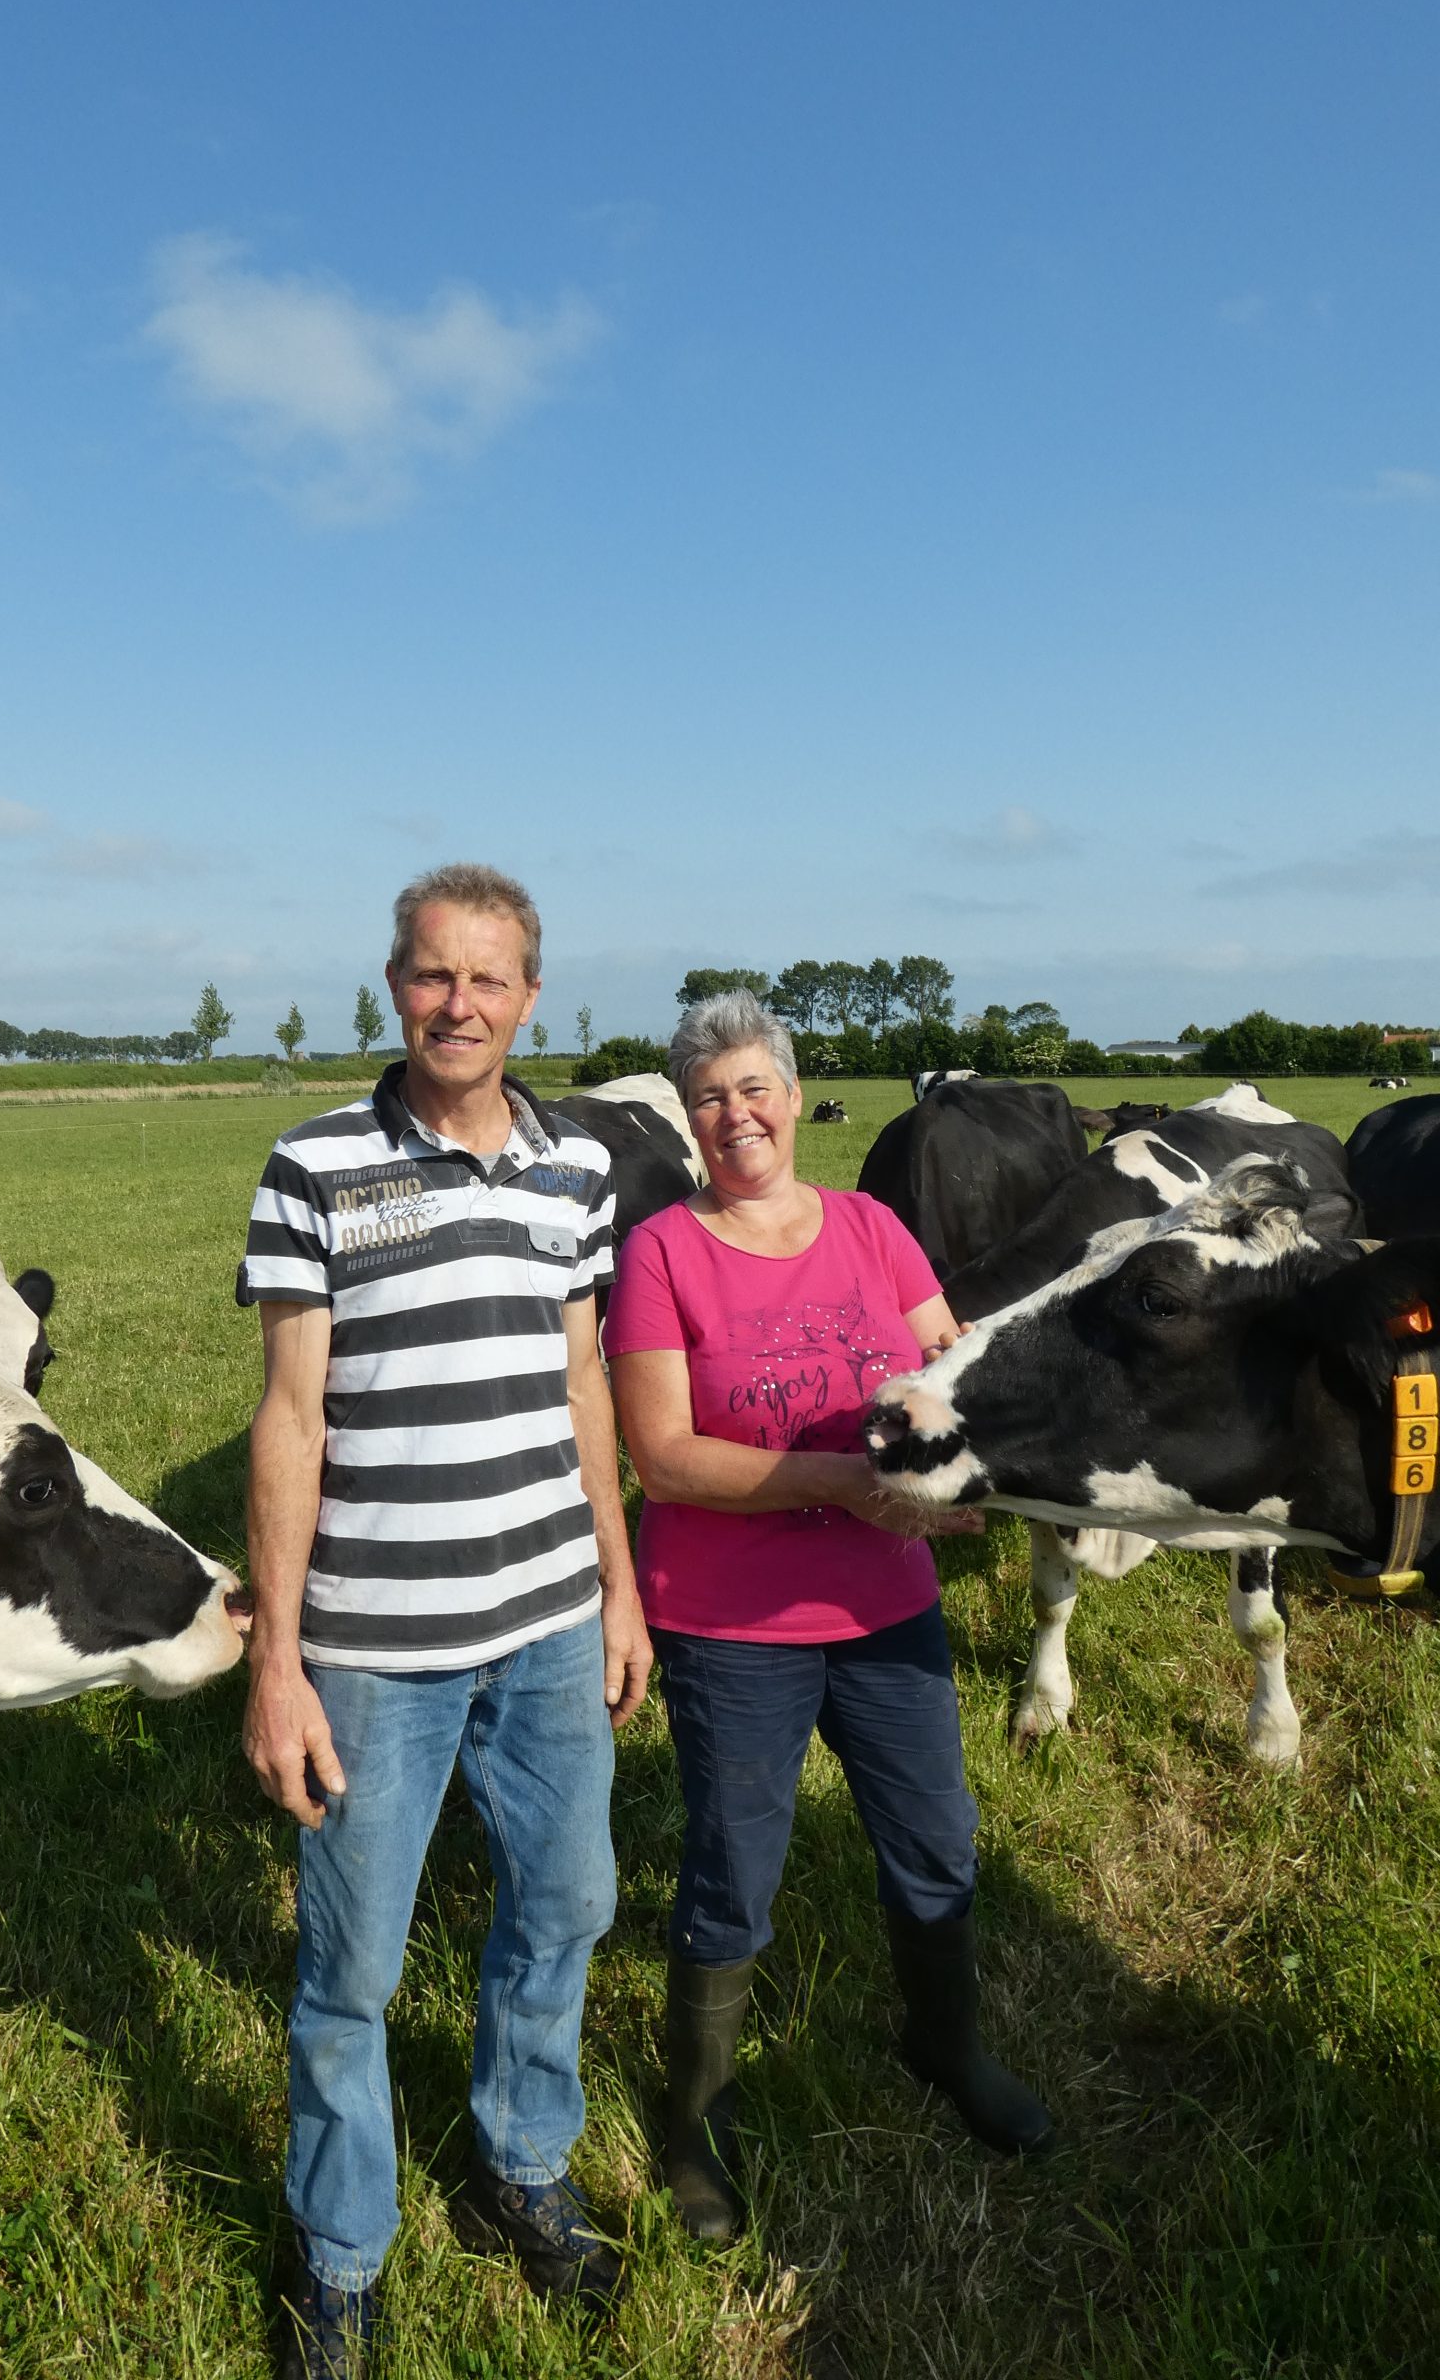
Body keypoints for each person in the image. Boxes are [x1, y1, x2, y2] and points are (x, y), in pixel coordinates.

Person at [237, 862, 652, 2377]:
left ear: (529, 997)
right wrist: (279, 1662)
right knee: (350, 1971)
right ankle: (342, 2253)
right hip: (374, 1648)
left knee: (570, 1906)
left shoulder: (577, 1171)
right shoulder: (316, 1163)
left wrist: (618, 1586)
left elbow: (583, 1383)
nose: (457, 1003)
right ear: (394, 984)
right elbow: (290, 1421)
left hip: (548, 1620)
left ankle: (519, 2169)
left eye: (487, 979)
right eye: (431, 974)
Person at [604, 990, 1052, 2244]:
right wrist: (850, 1482)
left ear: (796, 1097)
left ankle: (943, 2047)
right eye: (708, 1096)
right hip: (731, 1625)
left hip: (886, 1607)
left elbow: (942, 1376)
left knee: (936, 1840)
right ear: (687, 1118)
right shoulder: (663, 1254)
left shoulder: (871, 1228)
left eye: (754, 1087)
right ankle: (697, 2121)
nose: (735, 1115)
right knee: (732, 1875)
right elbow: (666, 1457)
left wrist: (943, 1470)